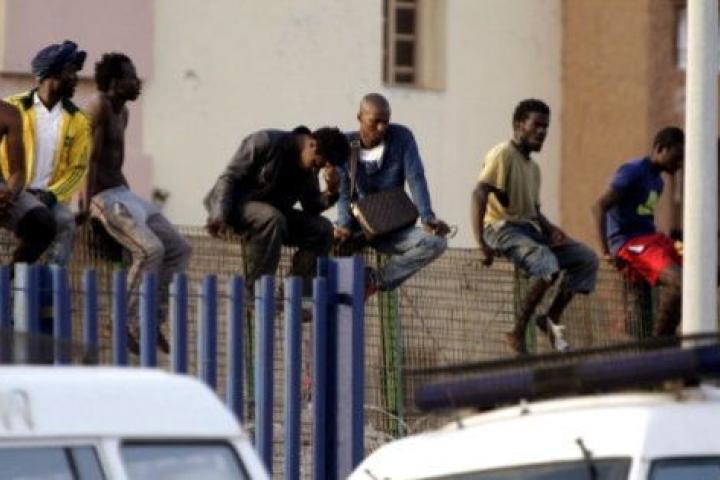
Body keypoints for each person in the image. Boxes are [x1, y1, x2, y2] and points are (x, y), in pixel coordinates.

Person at [84, 53, 192, 353]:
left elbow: (114, 160)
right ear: (115, 82)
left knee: (179, 248)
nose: (138, 82)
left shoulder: (124, 113)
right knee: (150, 249)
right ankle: (119, 321)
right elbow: (88, 160)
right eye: (131, 77)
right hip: (102, 196)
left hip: (124, 192)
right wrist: (85, 206)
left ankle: (150, 321)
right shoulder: (98, 107)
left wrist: (133, 204)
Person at [472, 98, 598, 354]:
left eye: (546, 127)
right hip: (501, 228)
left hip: (529, 230)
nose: (542, 132)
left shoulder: (534, 168)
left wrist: (552, 230)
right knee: (547, 263)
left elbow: (534, 211)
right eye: (537, 125)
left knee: (586, 258)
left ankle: (550, 317)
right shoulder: (502, 154)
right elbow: (479, 193)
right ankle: (517, 331)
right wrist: (481, 243)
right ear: (520, 125)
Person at [204, 126, 349, 297]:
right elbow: (229, 178)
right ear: (312, 144)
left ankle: (294, 295)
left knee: (323, 229)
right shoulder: (265, 142)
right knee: (272, 218)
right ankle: (257, 293)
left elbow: (311, 206)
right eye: (319, 164)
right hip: (234, 208)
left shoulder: (309, 168)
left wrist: (331, 191)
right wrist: (219, 216)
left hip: (274, 217)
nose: (318, 170)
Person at [334, 93, 449, 296]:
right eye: (375, 122)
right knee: (325, 242)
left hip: (392, 228)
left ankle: (374, 280)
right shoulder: (345, 145)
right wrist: (343, 226)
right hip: (358, 228)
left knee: (436, 242)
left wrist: (427, 217)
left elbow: (416, 177)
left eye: (385, 122)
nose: (381, 128)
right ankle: (309, 300)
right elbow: (343, 193)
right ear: (359, 117)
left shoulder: (401, 138)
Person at [1, 40, 90, 267]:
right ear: (53, 73)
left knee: (64, 220)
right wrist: (9, 189)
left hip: (49, 196)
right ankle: (14, 279)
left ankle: (52, 282)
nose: (76, 78)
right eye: (71, 72)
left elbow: (77, 169)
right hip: (14, 188)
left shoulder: (80, 120)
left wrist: (51, 196)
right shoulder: (14, 107)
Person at [594, 127, 684, 338]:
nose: (679, 164)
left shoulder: (658, 181)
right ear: (660, 149)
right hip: (631, 243)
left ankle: (667, 336)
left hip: (653, 239)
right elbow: (600, 206)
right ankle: (661, 341)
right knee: (679, 281)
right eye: (677, 157)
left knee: (702, 269)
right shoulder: (633, 171)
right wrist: (606, 251)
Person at [0, 100, 57, 266]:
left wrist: (8, 195)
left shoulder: (9, 113)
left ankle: (10, 278)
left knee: (42, 223)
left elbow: (18, 172)